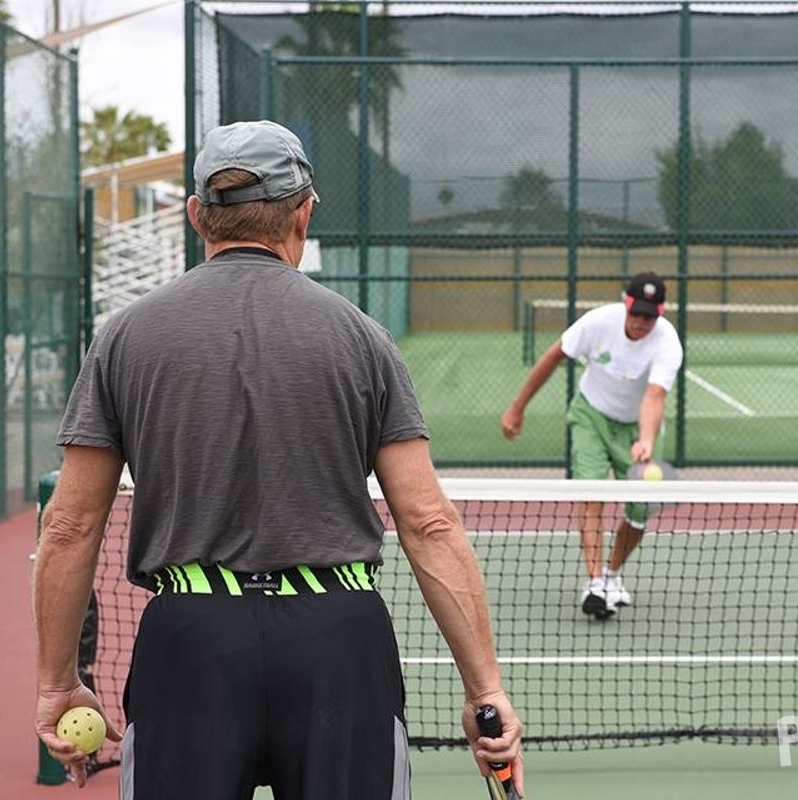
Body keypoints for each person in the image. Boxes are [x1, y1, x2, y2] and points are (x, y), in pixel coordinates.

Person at [33, 119, 523, 800]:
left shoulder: (125, 337)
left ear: (197, 217)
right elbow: (428, 521)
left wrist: (59, 681)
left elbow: (68, 526)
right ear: (305, 212)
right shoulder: (364, 338)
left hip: (190, 645)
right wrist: (485, 692)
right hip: (339, 645)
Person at [501, 272, 683, 621]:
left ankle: (614, 576)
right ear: (625, 304)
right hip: (590, 416)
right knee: (590, 491)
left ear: (659, 314)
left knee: (641, 511)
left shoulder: (667, 343)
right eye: (636, 313)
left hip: (634, 427)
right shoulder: (598, 323)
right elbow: (553, 357)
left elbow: (654, 397)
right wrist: (517, 407)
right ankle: (595, 582)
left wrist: (645, 441)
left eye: (650, 316)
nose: (641, 322)